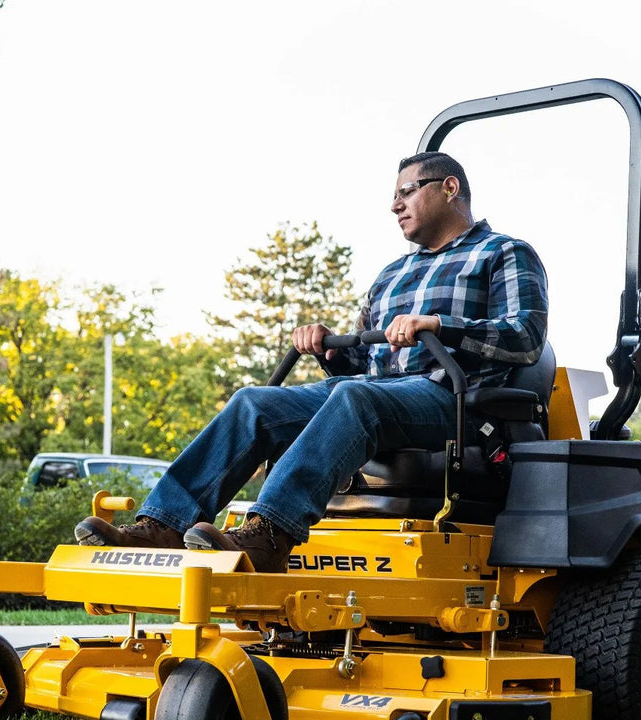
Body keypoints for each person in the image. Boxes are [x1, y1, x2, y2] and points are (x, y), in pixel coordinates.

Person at [74, 151, 548, 572]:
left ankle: (269, 535)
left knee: (355, 397)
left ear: (449, 188)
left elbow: (525, 337)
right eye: (393, 196)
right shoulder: (393, 273)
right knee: (254, 402)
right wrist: (331, 349)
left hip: (454, 400)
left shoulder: (503, 253)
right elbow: (362, 365)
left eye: (406, 191)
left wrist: (440, 326)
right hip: (378, 394)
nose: (394, 204)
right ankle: (163, 524)